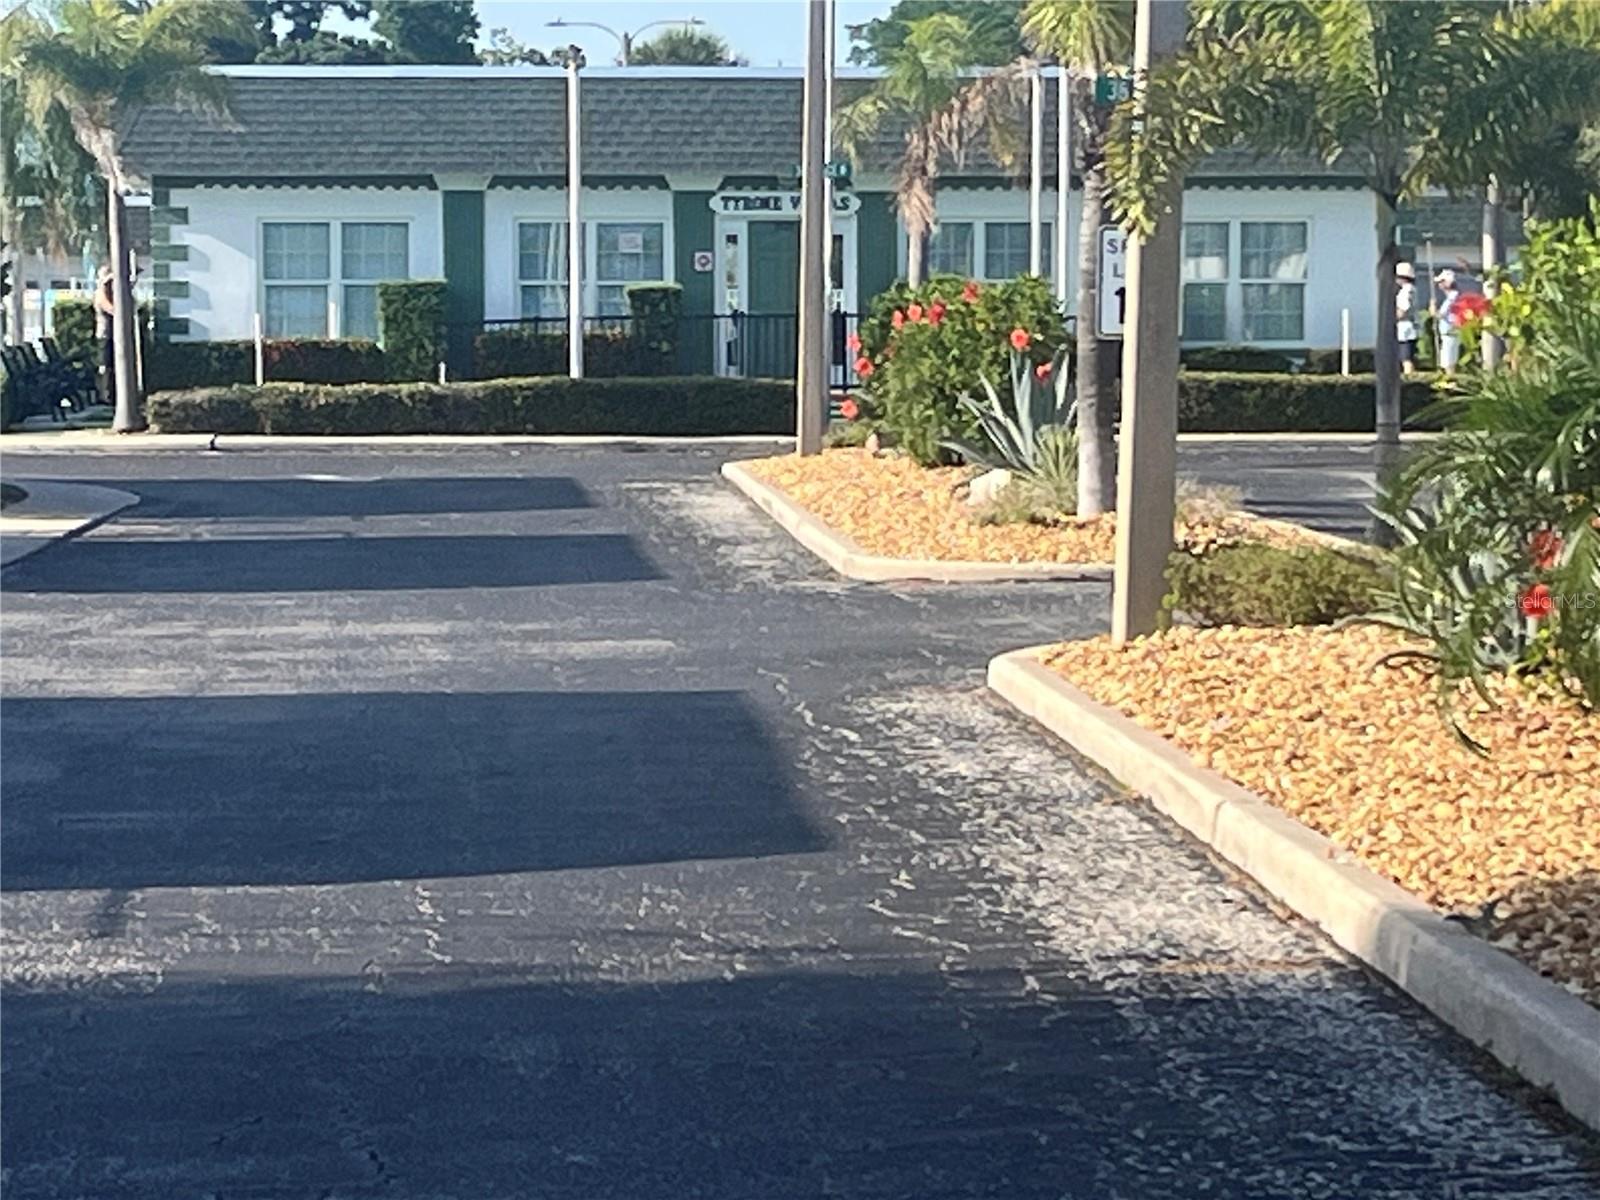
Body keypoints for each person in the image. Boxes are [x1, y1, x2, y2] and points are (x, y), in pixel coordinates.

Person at [92, 265, 116, 404]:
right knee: (106, 365)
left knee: (112, 365)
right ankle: (106, 395)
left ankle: (112, 393)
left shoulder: (109, 293)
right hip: (105, 335)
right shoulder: (101, 294)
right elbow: (111, 309)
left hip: (112, 335)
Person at [1434, 268, 1462, 374]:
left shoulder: (1453, 296)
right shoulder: (1453, 296)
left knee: (1448, 362)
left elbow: (1441, 314)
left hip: (1450, 332)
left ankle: (1450, 383)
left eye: (1441, 282)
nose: (1439, 285)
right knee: (1448, 360)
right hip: (1449, 332)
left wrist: (1433, 310)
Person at [1395, 263, 1418, 374]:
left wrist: (1392, 318)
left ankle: (1409, 377)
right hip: (1410, 326)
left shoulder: (1406, 291)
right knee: (1406, 356)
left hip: (1405, 327)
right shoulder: (1413, 289)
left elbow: (1403, 310)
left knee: (1405, 357)